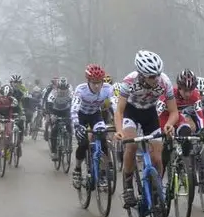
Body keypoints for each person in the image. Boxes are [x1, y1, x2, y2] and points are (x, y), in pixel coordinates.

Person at [113, 50, 178, 207]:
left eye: (158, 74)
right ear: (141, 74)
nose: (156, 79)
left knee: (157, 158)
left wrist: (169, 123)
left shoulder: (165, 82)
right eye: (151, 76)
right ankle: (128, 187)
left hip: (150, 114)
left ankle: (156, 188)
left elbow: (174, 111)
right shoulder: (128, 82)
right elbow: (119, 111)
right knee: (132, 145)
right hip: (131, 112)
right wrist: (119, 130)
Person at [70, 64, 115, 188]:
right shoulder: (81, 89)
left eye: (99, 82)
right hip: (81, 116)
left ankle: (103, 172)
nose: (96, 86)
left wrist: (119, 121)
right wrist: (76, 125)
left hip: (95, 115)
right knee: (83, 143)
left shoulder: (107, 88)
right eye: (93, 82)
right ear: (88, 81)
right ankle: (77, 170)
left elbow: (115, 105)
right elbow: (74, 109)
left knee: (102, 139)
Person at [0, 84, 23, 158]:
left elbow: (18, 110)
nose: (5, 98)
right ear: (0, 94)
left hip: (8, 117)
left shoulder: (13, 100)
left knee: (9, 131)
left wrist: (19, 116)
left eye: (8, 96)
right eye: (3, 95)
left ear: (10, 95)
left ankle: (8, 149)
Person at [44, 77, 73, 156]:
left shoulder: (70, 93)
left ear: (67, 88)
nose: (62, 90)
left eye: (64, 89)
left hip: (66, 111)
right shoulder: (53, 93)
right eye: (61, 88)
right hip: (55, 111)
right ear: (58, 88)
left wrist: (73, 114)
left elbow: (74, 104)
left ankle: (69, 144)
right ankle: (54, 152)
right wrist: (50, 114)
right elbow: (49, 104)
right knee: (54, 130)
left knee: (69, 125)